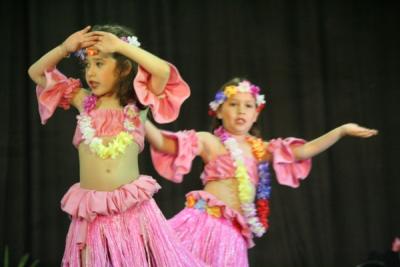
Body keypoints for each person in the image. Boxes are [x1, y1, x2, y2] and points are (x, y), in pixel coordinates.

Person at [145, 77, 378, 267]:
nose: (241, 111)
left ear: (256, 114)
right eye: (233, 104)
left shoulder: (260, 150)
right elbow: (164, 144)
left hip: (234, 235)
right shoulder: (210, 141)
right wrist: (140, 118)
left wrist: (341, 131)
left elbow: (304, 150)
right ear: (218, 111)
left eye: (248, 106)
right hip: (204, 222)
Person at [28, 24, 206, 267]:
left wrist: (121, 46)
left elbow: (162, 72)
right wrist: (64, 48)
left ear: (123, 69)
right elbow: (36, 73)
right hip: (92, 216)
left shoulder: (137, 104)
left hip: (132, 213)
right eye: (88, 64)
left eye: (100, 64)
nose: (90, 72)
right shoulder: (83, 100)